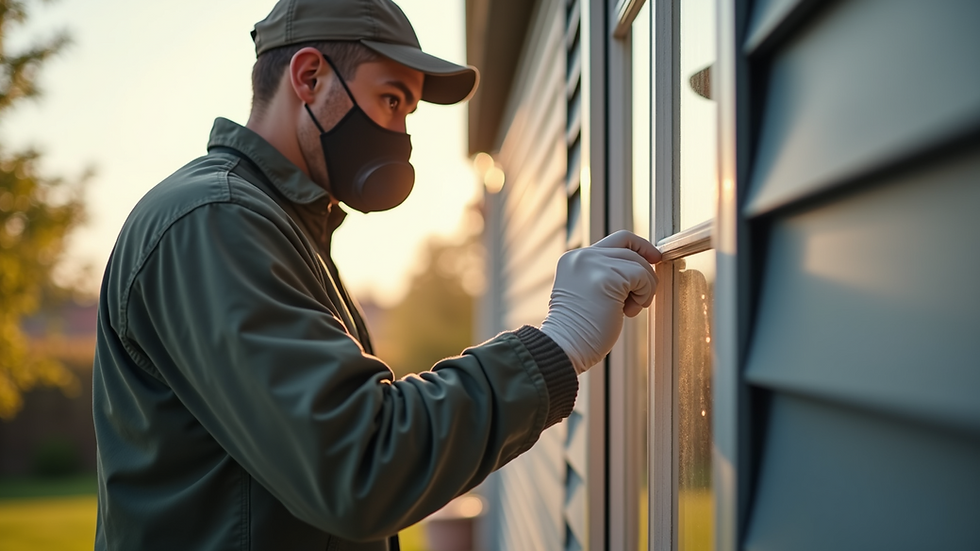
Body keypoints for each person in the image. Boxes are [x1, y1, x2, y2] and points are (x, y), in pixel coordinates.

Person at [91, 0, 661, 549]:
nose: (400, 136)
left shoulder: (276, 228)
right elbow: (358, 463)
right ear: (310, 77)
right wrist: (557, 344)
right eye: (390, 100)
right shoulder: (215, 223)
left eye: (408, 112)